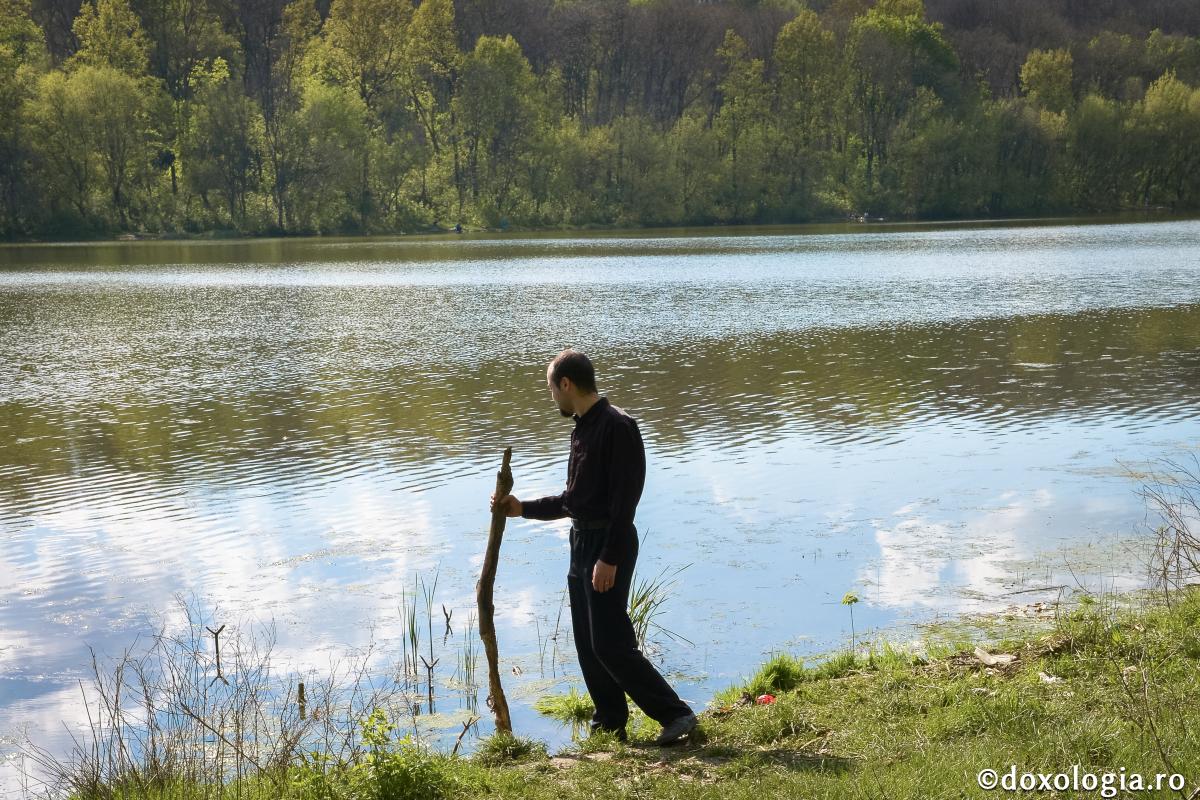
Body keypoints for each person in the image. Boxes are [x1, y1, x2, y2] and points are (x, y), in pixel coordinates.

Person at [490, 349, 698, 746]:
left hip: (607, 544)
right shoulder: (582, 428)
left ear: (566, 384)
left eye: (551, 388)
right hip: (581, 542)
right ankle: (610, 724)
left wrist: (609, 557)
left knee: (610, 642)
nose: (551, 396)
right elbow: (574, 501)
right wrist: (522, 508)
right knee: (588, 643)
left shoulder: (618, 426)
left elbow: (626, 501)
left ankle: (676, 714)